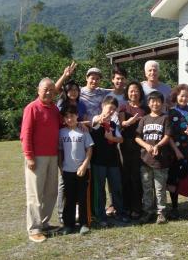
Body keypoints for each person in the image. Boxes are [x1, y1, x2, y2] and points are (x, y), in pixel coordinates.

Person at [20, 78, 62, 243]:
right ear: (38, 90)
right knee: (35, 194)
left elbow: (62, 124)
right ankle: (34, 229)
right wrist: (29, 156)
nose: (49, 92)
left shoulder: (54, 109)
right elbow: (26, 134)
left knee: (51, 192)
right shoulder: (32, 108)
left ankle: (44, 223)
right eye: (46, 89)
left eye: (52, 90)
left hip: (53, 156)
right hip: (36, 157)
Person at [135, 91, 173, 224]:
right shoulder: (144, 119)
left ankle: (161, 212)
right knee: (147, 188)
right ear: (148, 103)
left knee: (159, 187)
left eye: (158, 101)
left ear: (162, 103)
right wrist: (146, 146)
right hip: (145, 160)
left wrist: (157, 146)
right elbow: (137, 137)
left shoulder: (165, 118)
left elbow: (167, 136)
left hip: (161, 160)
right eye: (152, 101)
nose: (155, 103)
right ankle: (147, 211)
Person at [90, 96, 128, 226]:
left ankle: (120, 212)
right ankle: (101, 216)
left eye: (114, 109)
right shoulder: (96, 119)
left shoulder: (113, 124)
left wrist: (112, 138)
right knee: (100, 190)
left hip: (113, 161)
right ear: (102, 106)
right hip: (98, 161)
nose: (111, 111)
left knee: (116, 187)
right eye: (109, 108)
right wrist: (101, 120)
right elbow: (94, 124)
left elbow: (121, 139)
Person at [167, 84, 188, 220]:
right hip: (174, 151)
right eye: (181, 95)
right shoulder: (170, 113)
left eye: (186, 95)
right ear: (176, 96)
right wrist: (176, 151)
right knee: (173, 180)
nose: (184, 98)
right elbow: (167, 135)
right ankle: (174, 208)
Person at [58, 104, 94, 235]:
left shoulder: (83, 131)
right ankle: (69, 224)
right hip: (67, 171)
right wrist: (61, 167)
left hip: (83, 170)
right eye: (66, 117)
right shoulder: (61, 132)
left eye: (72, 116)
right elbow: (60, 151)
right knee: (69, 198)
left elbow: (89, 149)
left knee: (83, 198)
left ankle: (84, 223)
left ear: (76, 116)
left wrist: (84, 165)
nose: (69, 119)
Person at [119, 81, 147, 219]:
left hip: (140, 146)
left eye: (136, 90)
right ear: (127, 93)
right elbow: (121, 124)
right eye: (131, 90)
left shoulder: (145, 109)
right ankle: (126, 206)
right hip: (125, 146)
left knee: (137, 177)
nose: (133, 93)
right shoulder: (124, 108)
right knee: (126, 176)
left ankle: (137, 207)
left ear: (140, 92)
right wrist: (130, 122)